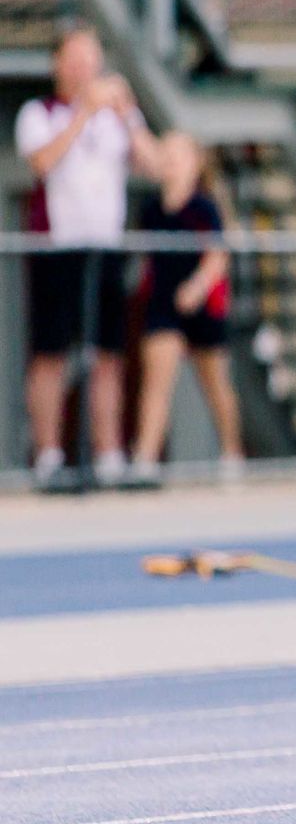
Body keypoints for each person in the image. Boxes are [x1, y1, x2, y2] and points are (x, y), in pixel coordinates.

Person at [15, 29, 160, 493]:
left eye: (90, 59)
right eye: (74, 59)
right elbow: (42, 162)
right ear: (58, 63)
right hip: (57, 248)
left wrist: (127, 113)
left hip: (106, 249)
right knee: (50, 355)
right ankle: (48, 455)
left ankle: (109, 452)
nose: (83, 69)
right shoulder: (39, 113)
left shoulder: (116, 117)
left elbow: (154, 165)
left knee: (108, 356)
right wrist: (83, 112)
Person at [130, 133, 246, 489]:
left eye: (178, 156)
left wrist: (197, 288)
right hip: (164, 304)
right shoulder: (151, 209)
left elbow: (217, 255)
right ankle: (146, 458)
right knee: (156, 383)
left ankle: (232, 452)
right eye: (166, 156)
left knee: (215, 384)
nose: (171, 163)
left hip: (202, 305)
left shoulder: (204, 208)